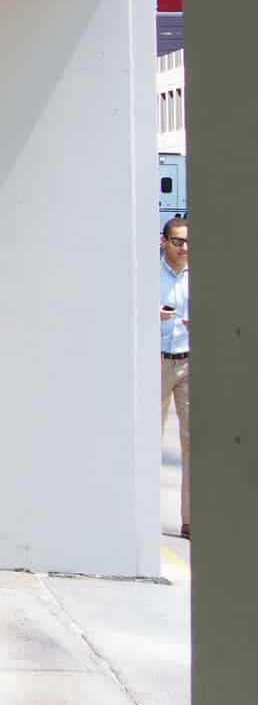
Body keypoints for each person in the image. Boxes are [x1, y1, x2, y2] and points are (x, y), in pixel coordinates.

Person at [160, 214, 190, 538]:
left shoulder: (198, 275)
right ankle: (144, 517)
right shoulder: (152, 273)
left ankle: (190, 520)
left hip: (188, 362)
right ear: (165, 241)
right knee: (148, 440)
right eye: (178, 241)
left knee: (192, 442)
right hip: (157, 361)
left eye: (187, 242)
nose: (184, 248)